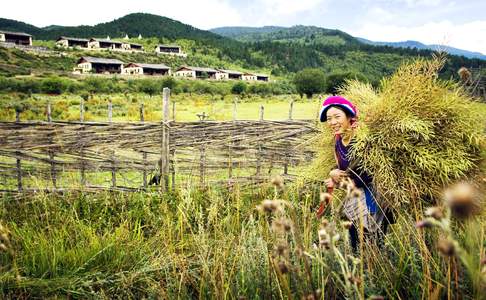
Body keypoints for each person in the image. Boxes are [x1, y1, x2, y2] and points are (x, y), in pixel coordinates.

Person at [319, 95, 394, 251]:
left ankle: (380, 272)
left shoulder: (361, 139)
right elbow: (343, 167)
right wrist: (333, 173)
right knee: (356, 244)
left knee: (375, 244)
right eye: (329, 118)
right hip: (354, 197)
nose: (332, 122)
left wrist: (341, 182)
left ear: (349, 117)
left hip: (373, 197)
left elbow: (371, 171)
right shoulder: (339, 140)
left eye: (337, 117)